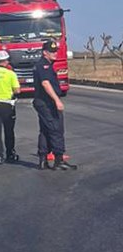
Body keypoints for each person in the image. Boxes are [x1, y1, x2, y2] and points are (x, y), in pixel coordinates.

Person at [32, 37, 76, 170]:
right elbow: (45, 83)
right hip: (47, 103)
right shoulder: (43, 65)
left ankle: (43, 159)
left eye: (55, 51)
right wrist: (57, 100)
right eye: (51, 51)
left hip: (42, 102)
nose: (55, 53)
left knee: (45, 130)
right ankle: (58, 159)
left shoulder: (45, 65)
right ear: (44, 52)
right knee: (56, 129)